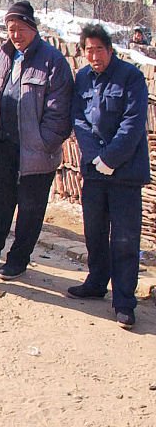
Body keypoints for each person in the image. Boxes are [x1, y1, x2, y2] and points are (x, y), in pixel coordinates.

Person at [0, 0, 73, 280]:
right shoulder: (2, 55)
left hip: (36, 153)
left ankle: (18, 259)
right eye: (10, 29)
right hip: (4, 145)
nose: (15, 35)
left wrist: (43, 143)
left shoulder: (53, 61)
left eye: (20, 28)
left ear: (33, 27)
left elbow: (60, 113)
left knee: (30, 209)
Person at [69, 23, 149, 329]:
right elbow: (79, 119)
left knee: (126, 239)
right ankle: (96, 281)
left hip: (125, 173)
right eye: (88, 50)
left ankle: (125, 301)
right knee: (95, 232)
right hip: (95, 172)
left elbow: (132, 123)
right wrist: (94, 158)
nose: (94, 55)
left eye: (98, 49)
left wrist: (111, 158)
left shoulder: (131, 77)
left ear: (110, 49)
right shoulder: (82, 78)